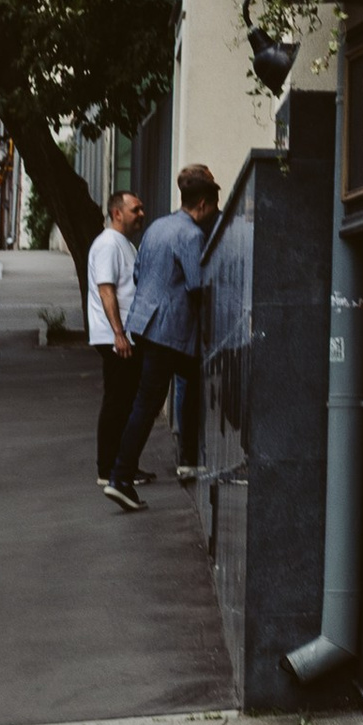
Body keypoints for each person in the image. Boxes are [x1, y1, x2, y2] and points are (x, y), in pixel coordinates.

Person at [104, 165, 221, 513]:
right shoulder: (191, 235)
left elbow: (140, 273)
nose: (212, 216)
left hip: (145, 324)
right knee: (149, 401)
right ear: (201, 203)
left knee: (187, 380)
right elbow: (197, 283)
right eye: (212, 209)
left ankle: (183, 459)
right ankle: (121, 477)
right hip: (170, 331)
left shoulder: (157, 227)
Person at [85, 189, 148, 491]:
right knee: (118, 401)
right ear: (117, 213)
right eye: (135, 209)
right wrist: (118, 334)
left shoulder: (124, 244)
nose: (141, 214)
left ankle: (124, 466)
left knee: (125, 401)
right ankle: (108, 468)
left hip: (122, 334)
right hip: (115, 336)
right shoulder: (109, 244)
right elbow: (106, 289)